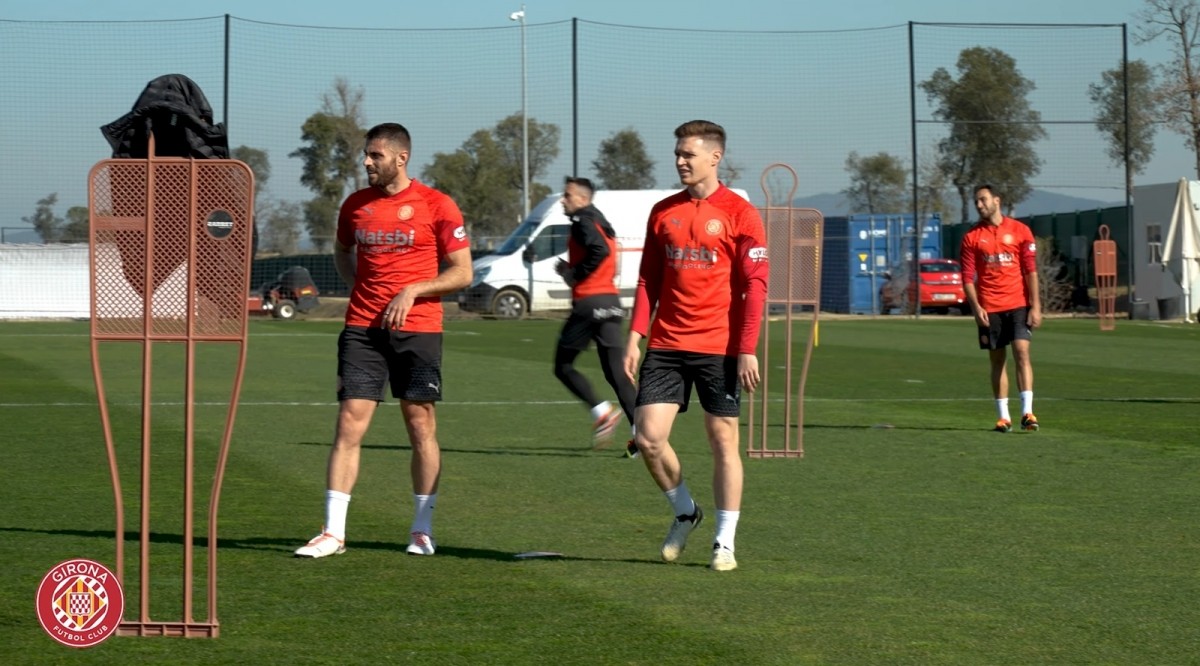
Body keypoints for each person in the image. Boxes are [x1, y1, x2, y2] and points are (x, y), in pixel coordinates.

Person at [295, 122, 472, 559]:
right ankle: (333, 533)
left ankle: (421, 529)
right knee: (349, 423)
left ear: (401, 157)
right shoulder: (355, 205)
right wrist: (358, 286)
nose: (367, 162)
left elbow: (463, 272)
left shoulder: (437, 205)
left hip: (420, 329)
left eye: (375, 155)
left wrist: (413, 290)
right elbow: (341, 250)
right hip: (362, 330)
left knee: (419, 425)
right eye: (366, 155)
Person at [622, 120, 769, 572]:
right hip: (666, 342)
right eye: (678, 154)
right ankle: (686, 511)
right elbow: (650, 278)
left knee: (723, 440)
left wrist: (747, 347)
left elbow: (756, 283)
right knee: (648, 438)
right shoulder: (663, 211)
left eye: (688, 154)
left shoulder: (740, 213)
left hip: (719, 347)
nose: (680, 161)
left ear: (714, 157)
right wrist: (635, 336)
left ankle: (724, 541)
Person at [552, 176, 640, 456]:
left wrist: (574, 274)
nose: (563, 200)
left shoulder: (582, 222)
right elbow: (606, 254)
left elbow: (598, 251)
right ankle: (643, 437)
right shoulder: (604, 223)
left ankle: (603, 413)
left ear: (582, 198)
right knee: (617, 375)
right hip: (611, 304)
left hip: (589, 304)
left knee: (563, 366)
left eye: (567, 195)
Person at [959, 183, 1042, 433]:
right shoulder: (972, 237)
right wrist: (976, 307)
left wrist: (1035, 306)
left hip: (1018, 304)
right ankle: (1003, 417)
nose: (979, 205)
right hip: (990, 307)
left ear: (997, 200)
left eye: (983, 199)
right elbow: (967, 277)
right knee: (998, 361)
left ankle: (1027, 413)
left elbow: (1030, 271)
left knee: (1022, 353)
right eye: (976, 201)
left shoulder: (1020, 231)